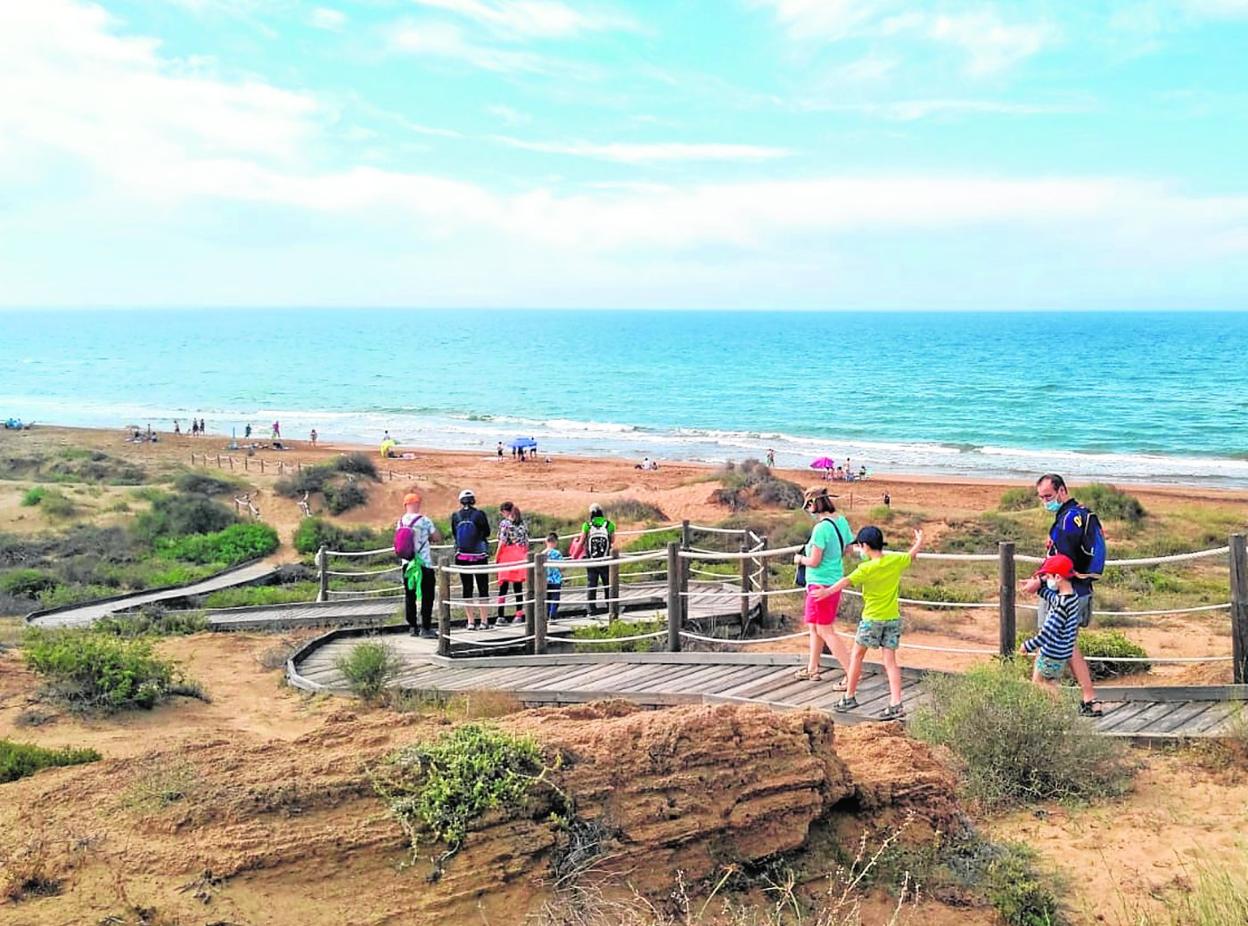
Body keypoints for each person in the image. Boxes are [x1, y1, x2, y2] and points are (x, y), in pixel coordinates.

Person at [823, 525, 925, 720]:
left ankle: (849, 696)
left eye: (860, 547)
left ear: (866, 546)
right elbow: (911, 555)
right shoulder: (895, 560)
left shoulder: (866, 568)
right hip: (892, 618)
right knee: (890, 662)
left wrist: (826, 592)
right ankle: (896, 702)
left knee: (857, 656)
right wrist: (919, 541)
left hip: (871, 619)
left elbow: (845, 581)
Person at [1023, 473, 1105, 716]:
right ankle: (1089, 698)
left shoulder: (1067, 521)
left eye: (1048, 496)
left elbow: (1061, 562)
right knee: (1069, 644)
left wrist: (1038, 581)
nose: (1045, 502)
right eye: (1041, 498)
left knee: (1049, 642)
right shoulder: (1081, 514)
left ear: (1062, 491)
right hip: (1080, 590)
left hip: (1063, 592)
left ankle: (1044, 706)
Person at [791, 487, 854, 684]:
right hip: (834, 579)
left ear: (814, 504)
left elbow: (815, 561)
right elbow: (849, 549)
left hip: (819, 583)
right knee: (815, 627)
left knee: (826, 630)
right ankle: (813, 668)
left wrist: (800, 559)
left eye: (808, 505)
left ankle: (851, 673)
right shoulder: (841, 521)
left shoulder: (820, 529)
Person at [1019, 554, 1084, 691]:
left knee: (1042, 685)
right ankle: (1058, 709)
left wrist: (1028, 645)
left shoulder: (1061, 606)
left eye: (1048, 577)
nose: (1047, 580)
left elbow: (1047, 634)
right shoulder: (1071, 597)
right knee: (1049, 683)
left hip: (1051, 654)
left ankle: (1058, 710)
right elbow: (1053, 598)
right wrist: (1038, 589)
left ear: (1058, 577)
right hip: (1061, 654)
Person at [395, 492, 440, 638]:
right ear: (417, 504)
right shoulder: (424, 520)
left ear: (405, 505)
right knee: (427, 595)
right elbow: (436, 537)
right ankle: (425, 627)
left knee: (410, 596)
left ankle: (412, 627)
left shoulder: (400, 521)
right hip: (424, 563)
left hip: (407, 564)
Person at [451, 489, 492, 630]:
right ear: (473, 500)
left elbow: (455, 534)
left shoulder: (456, 516)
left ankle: (470, 621)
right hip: (479, 555)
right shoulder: (479, 514)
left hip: (462, 556)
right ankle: (484, 621)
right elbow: (487, 532)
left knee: (467, 588)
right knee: (483, 587)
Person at [495, 502, 530, 625]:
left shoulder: (505, 524)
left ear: (506, 511)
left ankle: (500, 615)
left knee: (503, 587)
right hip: (520, 556)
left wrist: (496, 557)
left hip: (507, 556)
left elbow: (502, 542)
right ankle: (519, 615)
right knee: (518, 588)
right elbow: (526, 543)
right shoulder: (523, 524)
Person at [580, 503, 615, 615]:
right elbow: (613, 540)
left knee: (592, 584)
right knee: (607, 583)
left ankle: (591, 609)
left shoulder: (587, 525)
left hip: (591, 560)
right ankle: (610, 606)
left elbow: (581, 542)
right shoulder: (609, 524)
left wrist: (574, 556)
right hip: (606, 559)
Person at [543, 532, 564, 622]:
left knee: (547, 598)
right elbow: (562, 567)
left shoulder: (543, 553)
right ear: (555, 542)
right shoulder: (557, 553)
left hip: (545, 580)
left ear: (546, 542)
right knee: (555, 598)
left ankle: (547, 615)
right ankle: (553, 616)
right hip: (556, 580)